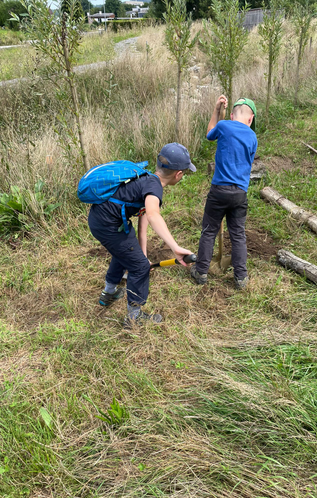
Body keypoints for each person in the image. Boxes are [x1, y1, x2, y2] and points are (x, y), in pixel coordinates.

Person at [88, 142, 196, 328]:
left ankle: (109, 293)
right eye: (184, 173)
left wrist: (143, 254)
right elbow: (153, 214)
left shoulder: (146, 177)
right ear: (178, 174)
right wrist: (175, 247)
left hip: (102, 219)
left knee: (127, 254)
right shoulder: (154, 187)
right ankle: (134, 318)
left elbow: (144, 219)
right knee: (139, 268)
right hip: (109, 225)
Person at [190, 95, 258, 289]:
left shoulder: (224, 126)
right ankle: (241, 277)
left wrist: (215, 109)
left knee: (209, 230)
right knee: (237, 233)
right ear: (250, 119)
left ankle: (201, 271)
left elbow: (210, 132)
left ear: (231, 115)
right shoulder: (252, 137)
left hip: (219, 190)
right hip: (239, 193)